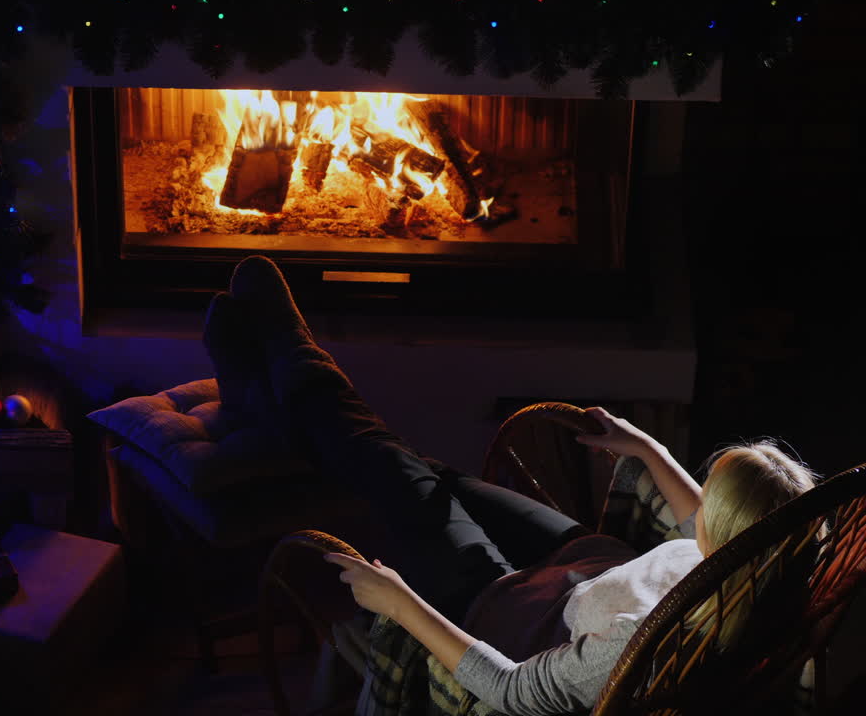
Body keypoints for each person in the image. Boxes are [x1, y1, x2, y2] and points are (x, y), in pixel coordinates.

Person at [207, 255, 818, 716]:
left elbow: (511, 691)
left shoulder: (643, 645)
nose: (697, 503)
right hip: (587, 563)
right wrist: (646, 448)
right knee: (423, 474)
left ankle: (296, 365)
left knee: (387, 467)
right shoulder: (767, 560)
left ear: (733, 531)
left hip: (513, 613)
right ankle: (273, 402)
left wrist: (401, 604)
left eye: (711, 497)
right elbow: (696, 522)